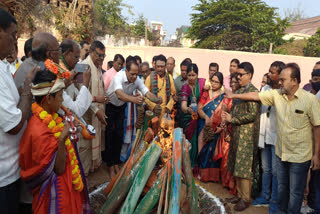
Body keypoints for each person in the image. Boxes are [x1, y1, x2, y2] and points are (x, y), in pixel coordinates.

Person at [225, 63, 320, 214]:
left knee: (295, 193)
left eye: (283, 79)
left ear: (294, 81)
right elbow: (255, 95)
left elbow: (317, 127)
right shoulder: (277, 95)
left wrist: (316, 154)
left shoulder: (310, 100)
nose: (280, 82)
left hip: (300, 157)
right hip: (281, 154)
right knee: (281, 190)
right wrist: (234, 95)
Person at [19, 68, 91, 214]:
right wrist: (62, 139)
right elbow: (58, 169)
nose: (62, 100)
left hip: (65, 184)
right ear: (48, 99)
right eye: (59, 96)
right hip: (55, 194)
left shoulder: (51, 116)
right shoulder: (38, 130)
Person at [0, 9, 39, 214]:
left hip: (12, 169)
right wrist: (27, 92)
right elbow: (14, 125)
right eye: (13, 35)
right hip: (3, 177)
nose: (15, 42)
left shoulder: (3, 67)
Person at [105, 57, 161, 177]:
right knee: (110, 135)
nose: (135, 77)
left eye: (136, 74)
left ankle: (116, 163)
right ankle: (110, 166)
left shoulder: (137, 79)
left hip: (121, 108)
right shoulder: (118, 77)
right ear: (126, 71)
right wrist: (134, 100)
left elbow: (147, 92)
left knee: (119, 135)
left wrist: (156, 99)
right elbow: (119, 95)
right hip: (110, 106)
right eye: (132, 74)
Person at [222, 62, 260, 212]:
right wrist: (228, 112)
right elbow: (237, 111)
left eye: (241, 74)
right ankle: (239, 194)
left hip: (247, 136)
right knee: (237, 165)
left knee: (244, 168)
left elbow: (252, 115)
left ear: (249, 75)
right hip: (237, 133)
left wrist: (233, 119)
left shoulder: (252, 91)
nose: (238, 77)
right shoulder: (241, 90)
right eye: (237, 74)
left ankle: (246, 199)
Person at [252, 61, 285, 214]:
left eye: (273, 72)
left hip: (277, 137)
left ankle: (275, 201)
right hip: (264, 135)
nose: (270, 74)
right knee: (266, 169)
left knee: (277, 172)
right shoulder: (265, 89)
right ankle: (264, 196)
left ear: (280, 75)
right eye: (269, 71)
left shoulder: (284, 92)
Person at [197, 72, 232, 183]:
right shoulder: (206, 93)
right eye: (212, 81)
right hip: (204, 126)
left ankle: (213, 177)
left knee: (213, 151)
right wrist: (206, 117)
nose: (214, 84)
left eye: (217, 82)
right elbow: (199, 108)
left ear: (221, 83)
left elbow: (226, 112)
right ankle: (203, 175)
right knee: (203, 150)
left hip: (217, 128)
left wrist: (221, 127)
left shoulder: (224, 96)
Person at [79, 41, 107, 175]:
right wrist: (96, 105)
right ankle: (83, 178)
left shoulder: (98, 67)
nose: (101, 59)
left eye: (103, 56)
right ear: (91, 52)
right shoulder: (83, 66)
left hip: (97, 112)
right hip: (86, 114)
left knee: (93, 143)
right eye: (99, 55)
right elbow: (81, 93)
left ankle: (90, 173)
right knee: (86, 145)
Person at [181, 63, 206, 174]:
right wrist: (188, 110)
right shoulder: (185, 86)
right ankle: (187, 166)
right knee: (189, 142)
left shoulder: (202, 83)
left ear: (197, 75)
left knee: (197, 141)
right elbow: (183, 106)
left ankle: (195, 166)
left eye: (193, 75)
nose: (191, 78)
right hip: (189, 118)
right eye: (189, 75)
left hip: (199, 117)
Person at [145, 54, 176, 119]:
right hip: (153, 114)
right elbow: (145, 96)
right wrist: (153, 106)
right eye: (158, 66)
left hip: (166, 113)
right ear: (155, 66)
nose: (160, 69)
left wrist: (169, 106)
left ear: (165, 67)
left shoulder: (169, 77)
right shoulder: (149, 78)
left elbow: (173, 95)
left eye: (162, 67)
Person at [174, 59, 190, 128]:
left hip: (192, 113)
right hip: (180, 114)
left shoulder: (193, 80)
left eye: (185, 70)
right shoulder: (176, 81)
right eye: (182, 70)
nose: (183, 72)